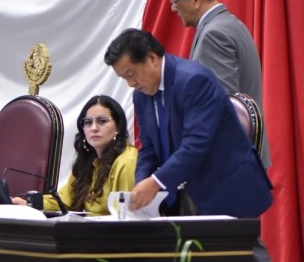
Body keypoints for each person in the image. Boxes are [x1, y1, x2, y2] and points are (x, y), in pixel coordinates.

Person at [104, 29, 272, 218]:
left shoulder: (194, 80)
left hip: (226, 191)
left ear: (152, 58)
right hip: (183, 195)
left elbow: (197, 143)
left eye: (131, 74)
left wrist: (155, 182)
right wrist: (141, 183)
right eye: (124, 78)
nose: (131, 84)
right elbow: (148, 148)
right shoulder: (141, 96)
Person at [167, 0, 269, 167]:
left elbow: (221, 110)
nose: (173, 8)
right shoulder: (231, 24)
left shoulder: (214, 34)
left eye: (175, 1)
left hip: (228, 166)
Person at [12, 94, 137, 215]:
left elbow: (126, 216)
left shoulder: (127, 161)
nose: (94, 128)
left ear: (118, 126)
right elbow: (64, 202)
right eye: (88, 122)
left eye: (102, 121)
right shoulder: (88, 162)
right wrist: (29, 204)